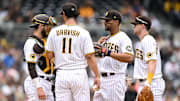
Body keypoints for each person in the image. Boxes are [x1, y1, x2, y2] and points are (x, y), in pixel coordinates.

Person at [45, 2, 100, 101]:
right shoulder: (84, 32)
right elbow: (90, 57)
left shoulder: (54, 32)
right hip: (79, 73)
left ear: (64, 15)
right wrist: (97, 75)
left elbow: (49, 54)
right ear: (76, 16)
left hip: (61, 73)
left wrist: (58, 58)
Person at [93, 10, 134, 101]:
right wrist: (97, 45)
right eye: (105, 20)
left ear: (116, 22)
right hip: (102, 79)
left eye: (108, 21)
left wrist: (109, 53)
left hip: (115, 79)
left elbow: (130, 57)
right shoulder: (106, 39)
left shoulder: (123, 38)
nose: (105, 23)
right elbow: (98, 55)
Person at [23, 14, 57, 101]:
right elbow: (31, 66)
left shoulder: (44, 42)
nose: (49, 29)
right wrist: (38, 87)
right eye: (48, 26)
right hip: (37, 82)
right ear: (41, 26)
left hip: (47, 81)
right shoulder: (31, 43)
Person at [131, 16, 165, 101]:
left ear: (143, 26)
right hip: (145, 83)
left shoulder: (148, 40)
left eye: (136, 24)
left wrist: (148, 83)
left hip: (152, 83)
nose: (133, 26)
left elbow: (152, 62)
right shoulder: (141, 42)